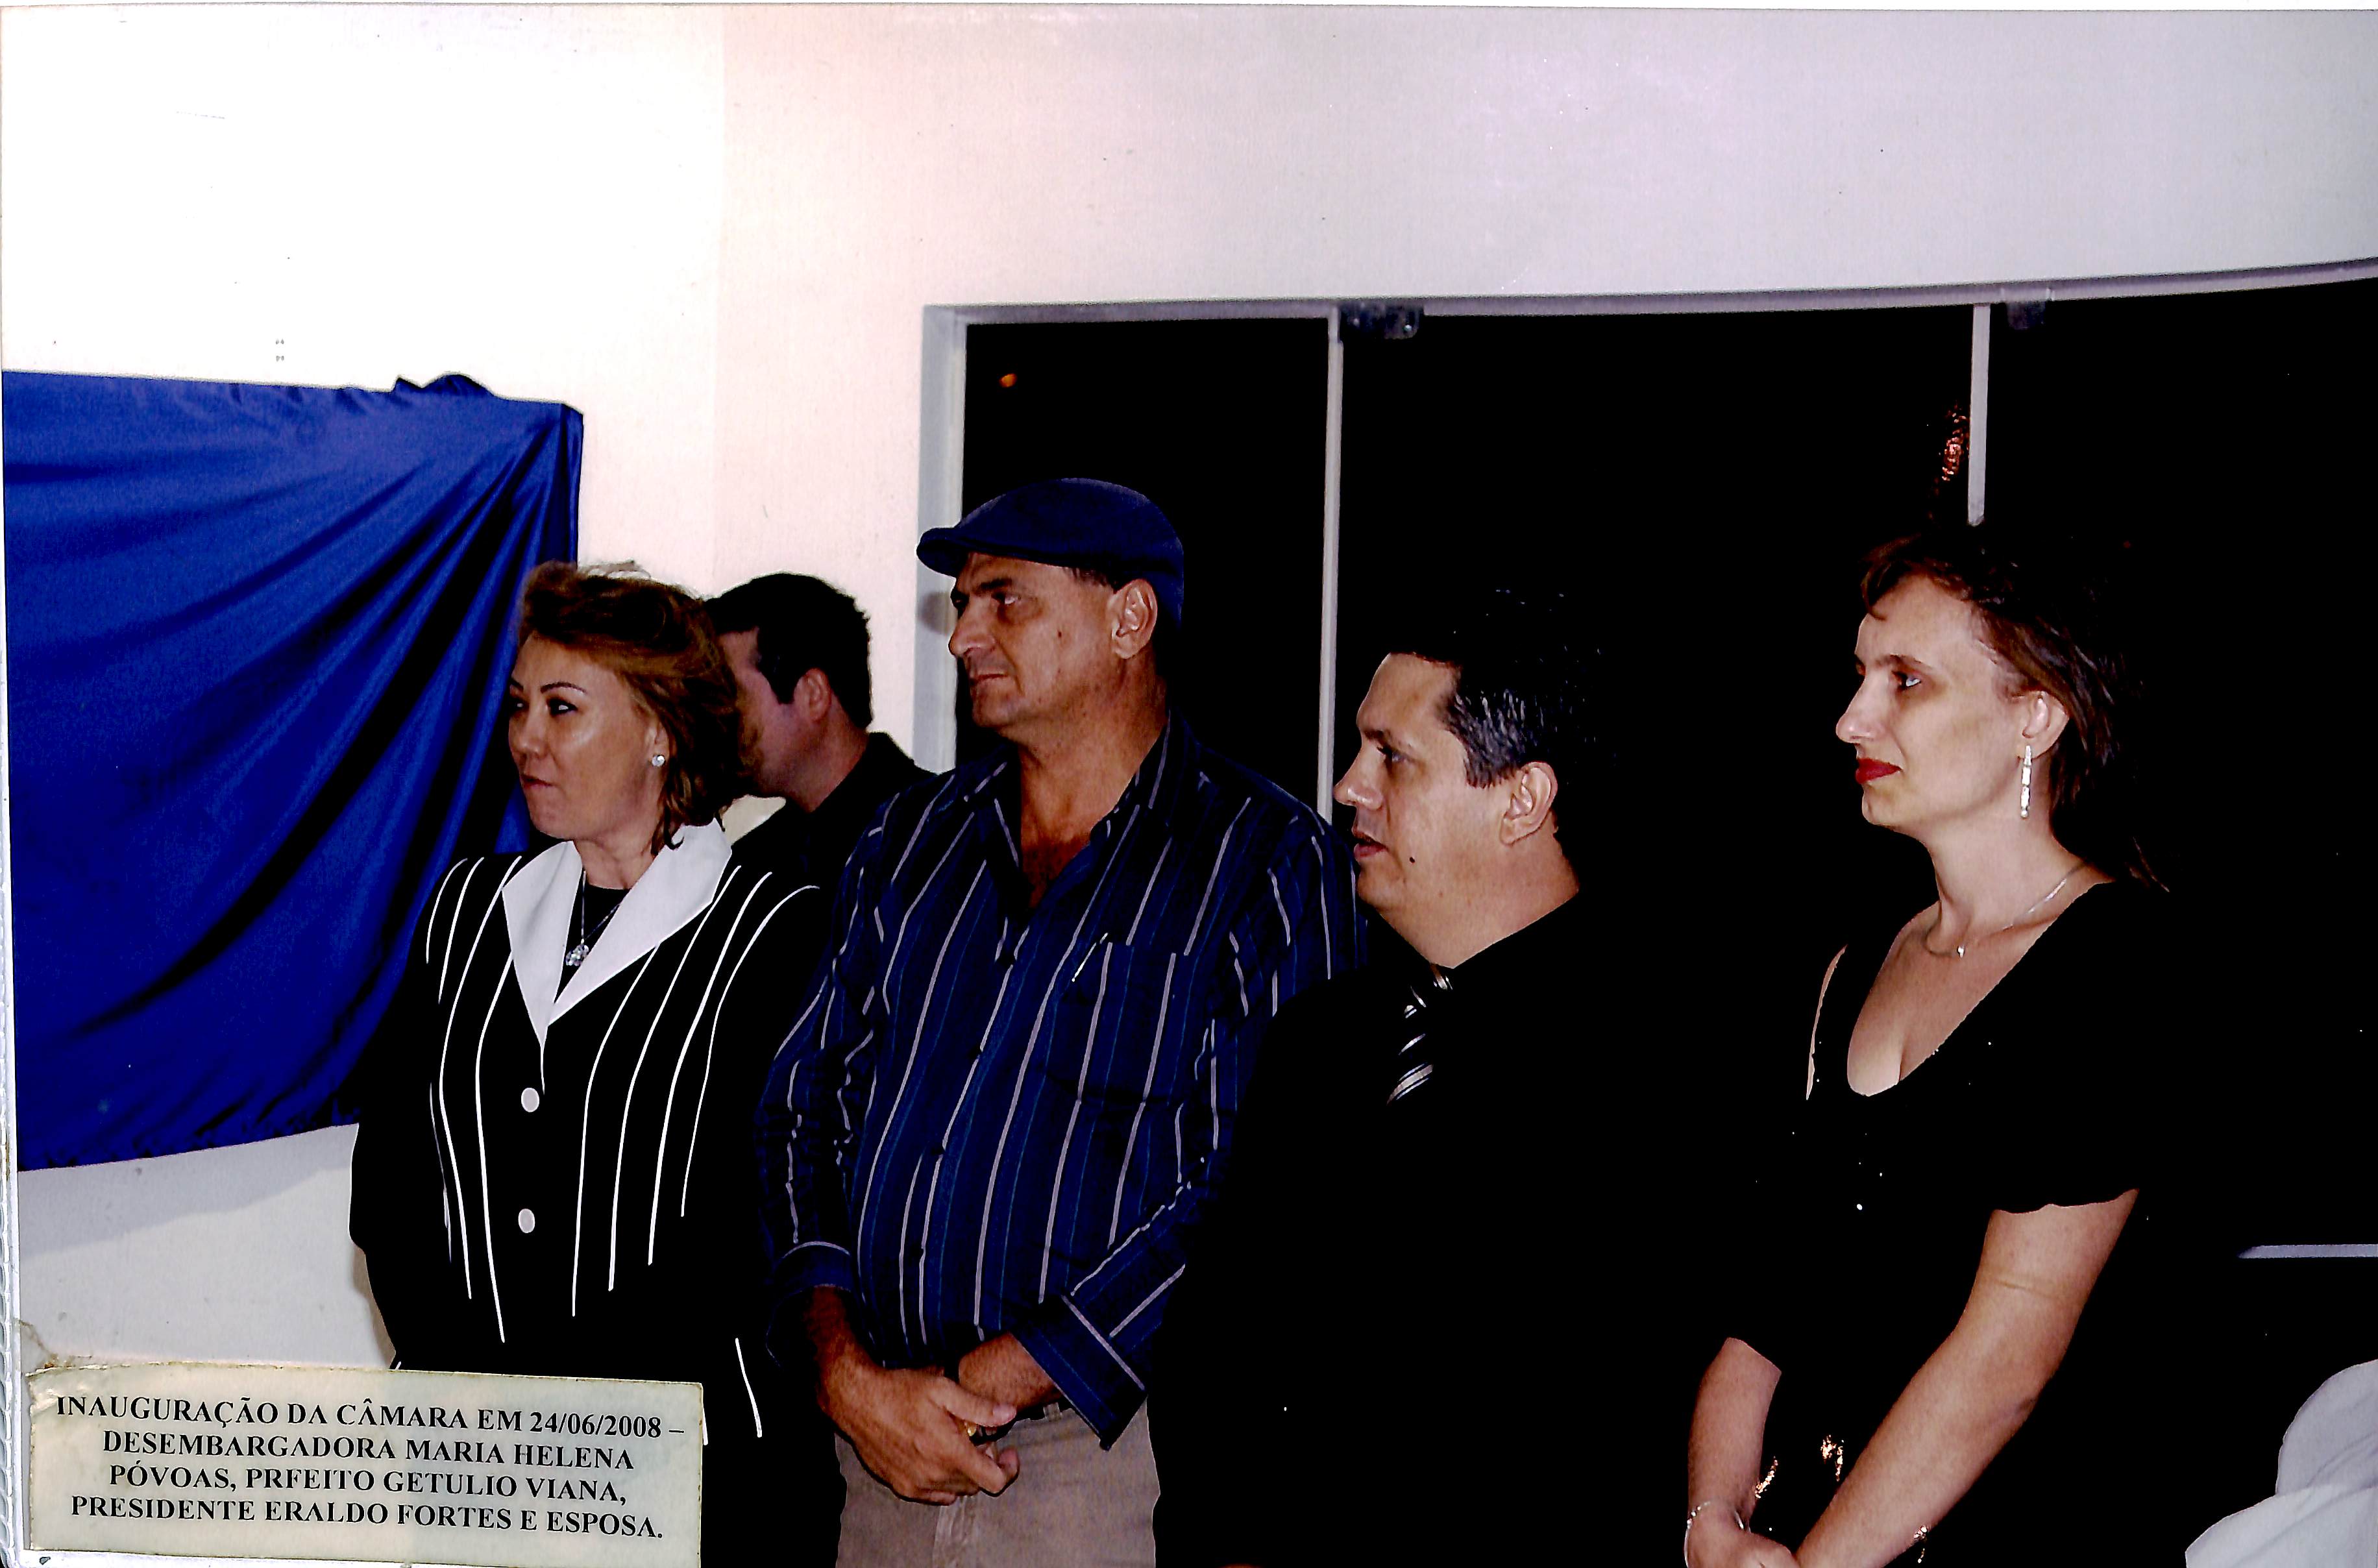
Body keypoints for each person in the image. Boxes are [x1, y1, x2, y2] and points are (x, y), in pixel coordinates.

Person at [755, 478, 1362, 1565]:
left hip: (1100, 1464)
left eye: (1005, 600)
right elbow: (800, 1114)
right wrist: (844, 1372)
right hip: (880, 1450)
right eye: (960, 604)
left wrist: (1003, 1373)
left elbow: (1260, 1187)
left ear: (1129, 619)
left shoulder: (1264, 860)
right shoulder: (908, 842)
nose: (962, 636)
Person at [1153, 586, 1691, 1565]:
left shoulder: (1649, 1067)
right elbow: (1214, 1348)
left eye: (1391, 756)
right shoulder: (1318, 1040)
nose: (1348, 786)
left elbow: (1603, 1412)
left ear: (1521, 800)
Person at [1684, 525, 2179, 1567]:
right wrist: (1712, 1525)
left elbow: (2006, 1362)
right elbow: (1763, 1311)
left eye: (1905, 681)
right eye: (1861, 675)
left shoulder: (2118, 966)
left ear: (2035, 717)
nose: (1851, 717)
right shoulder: (1854, 968)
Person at [349, 562, 841, 1565]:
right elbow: (393, 1183)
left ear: (662, 730)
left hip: (702, 1486)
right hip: (478, 1477)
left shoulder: (775, 933)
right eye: (519, 705)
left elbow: (757, 1224)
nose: (526, 738)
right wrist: (470, 1400)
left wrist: (573, 1425)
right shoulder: (469, 910)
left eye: (563, 708)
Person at [711, 572, 927, 891]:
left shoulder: (941, 836)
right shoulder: (752, 867)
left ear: (813, 694)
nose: (718, 717)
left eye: (732, 694)